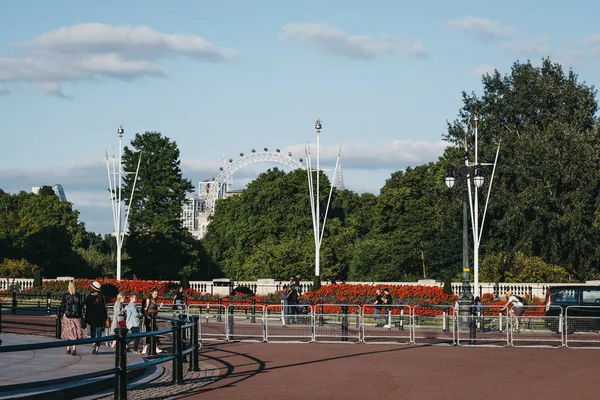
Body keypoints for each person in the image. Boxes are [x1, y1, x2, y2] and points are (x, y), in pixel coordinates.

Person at [60, 279, 87, 355]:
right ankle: (74, 348)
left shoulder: (66, 295)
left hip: (68, 315)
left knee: (68, 332)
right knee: (75, 332)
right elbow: (81, 305)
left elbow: (63, 305)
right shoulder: (78, 295)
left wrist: (61, 314)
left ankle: (68, 348)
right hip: (76, 315)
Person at [85, 281, 108, 355]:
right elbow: (104, 309)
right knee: (99, 334)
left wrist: (86, 318)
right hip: (101, 319)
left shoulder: (89, 298)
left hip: (92, 319)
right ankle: (97, 348)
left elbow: (87, 309)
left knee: (93, 333)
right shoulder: (102, 297)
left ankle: (94, 344)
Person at [141, 289, 163, 354]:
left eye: (157, 294)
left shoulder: (154, 300)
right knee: (150, 333)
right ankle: (146, 348)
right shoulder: (148, 300)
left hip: (153, 318)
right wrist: (147, 316)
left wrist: (160, 307)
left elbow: (155, 310)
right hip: (149, 319)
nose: (156, 295)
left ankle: (154, 348)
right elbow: (145, 309)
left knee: (154, 332)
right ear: (151, 293)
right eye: (155, 294)